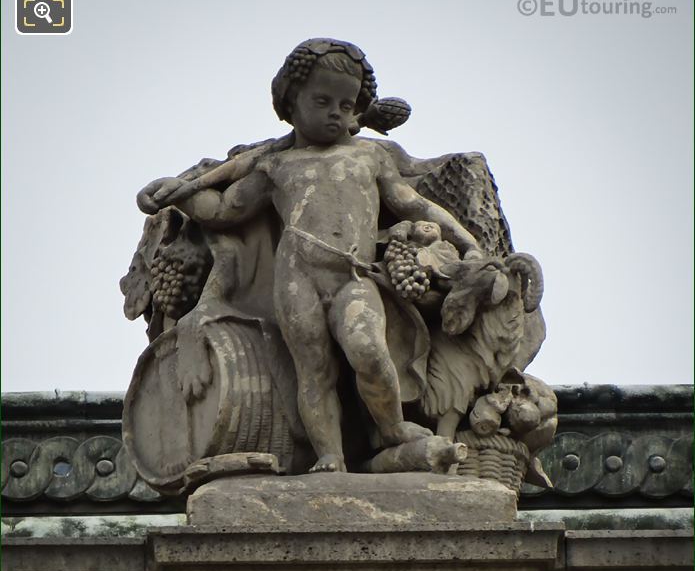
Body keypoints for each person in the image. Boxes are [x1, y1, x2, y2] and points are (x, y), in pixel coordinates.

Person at [144, 39, 483, 473]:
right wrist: (179, 193)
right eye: (322, 101)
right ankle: (330, 454)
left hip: (352, 276)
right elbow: (225, 211)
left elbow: (413, 205)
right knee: (313, 369)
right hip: (296, 277)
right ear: (290, 103)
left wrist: (466, 240)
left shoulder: (369, 156)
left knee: (368, 350)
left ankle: (392, 428)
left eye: (346, 104)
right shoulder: (275, 166)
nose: (335, 113)